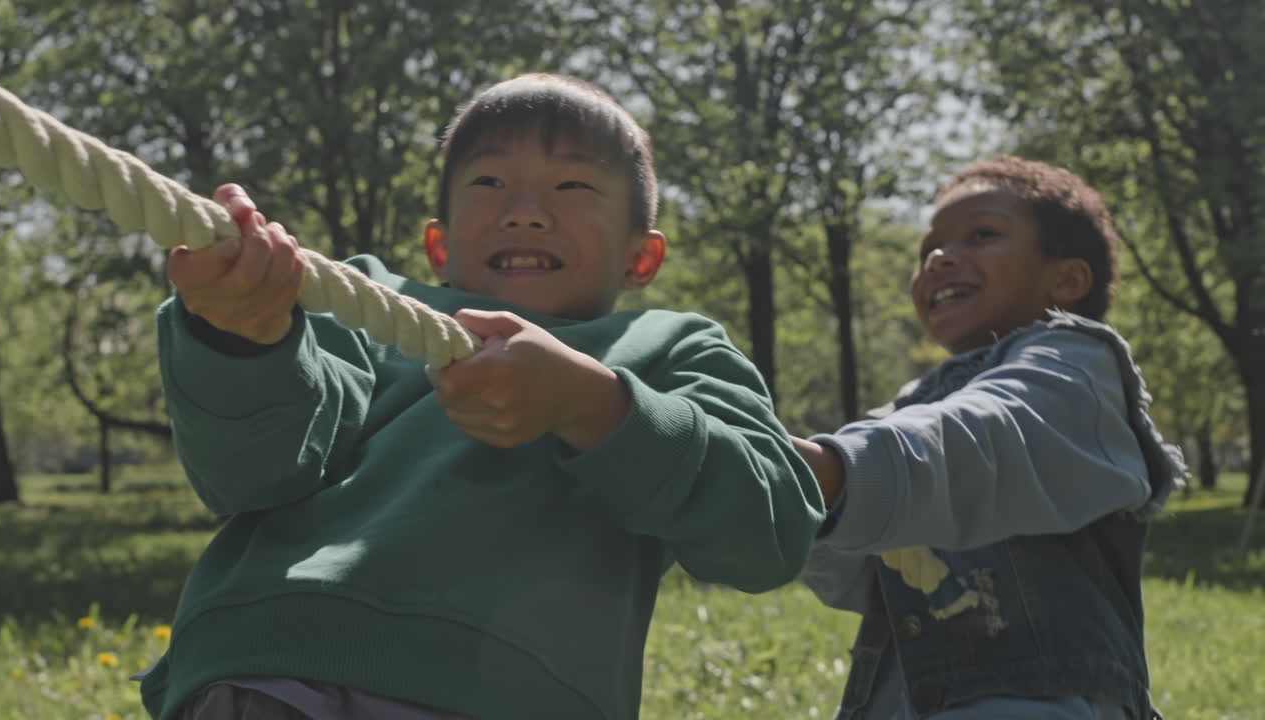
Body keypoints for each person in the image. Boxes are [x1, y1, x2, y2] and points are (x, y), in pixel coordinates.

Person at [139, 73, 825, 720]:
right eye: (491, 182)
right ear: (437, 246)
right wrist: (244, 337)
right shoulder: (365, 304)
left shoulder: (673, 349)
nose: (525, 214)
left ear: (639, 258)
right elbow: (248, 477)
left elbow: (771, 532)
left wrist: (594, 405)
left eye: (574, 185)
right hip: (268, 670)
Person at [790, 156, 1186, 720]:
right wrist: (793, 510)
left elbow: (988, 436)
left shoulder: (1074, 364)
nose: (939, 258)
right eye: (928, 248)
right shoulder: (912, 405)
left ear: (1066, 279)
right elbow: (862, 575)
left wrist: (829, 468)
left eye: (982, 235)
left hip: (1045, 701)